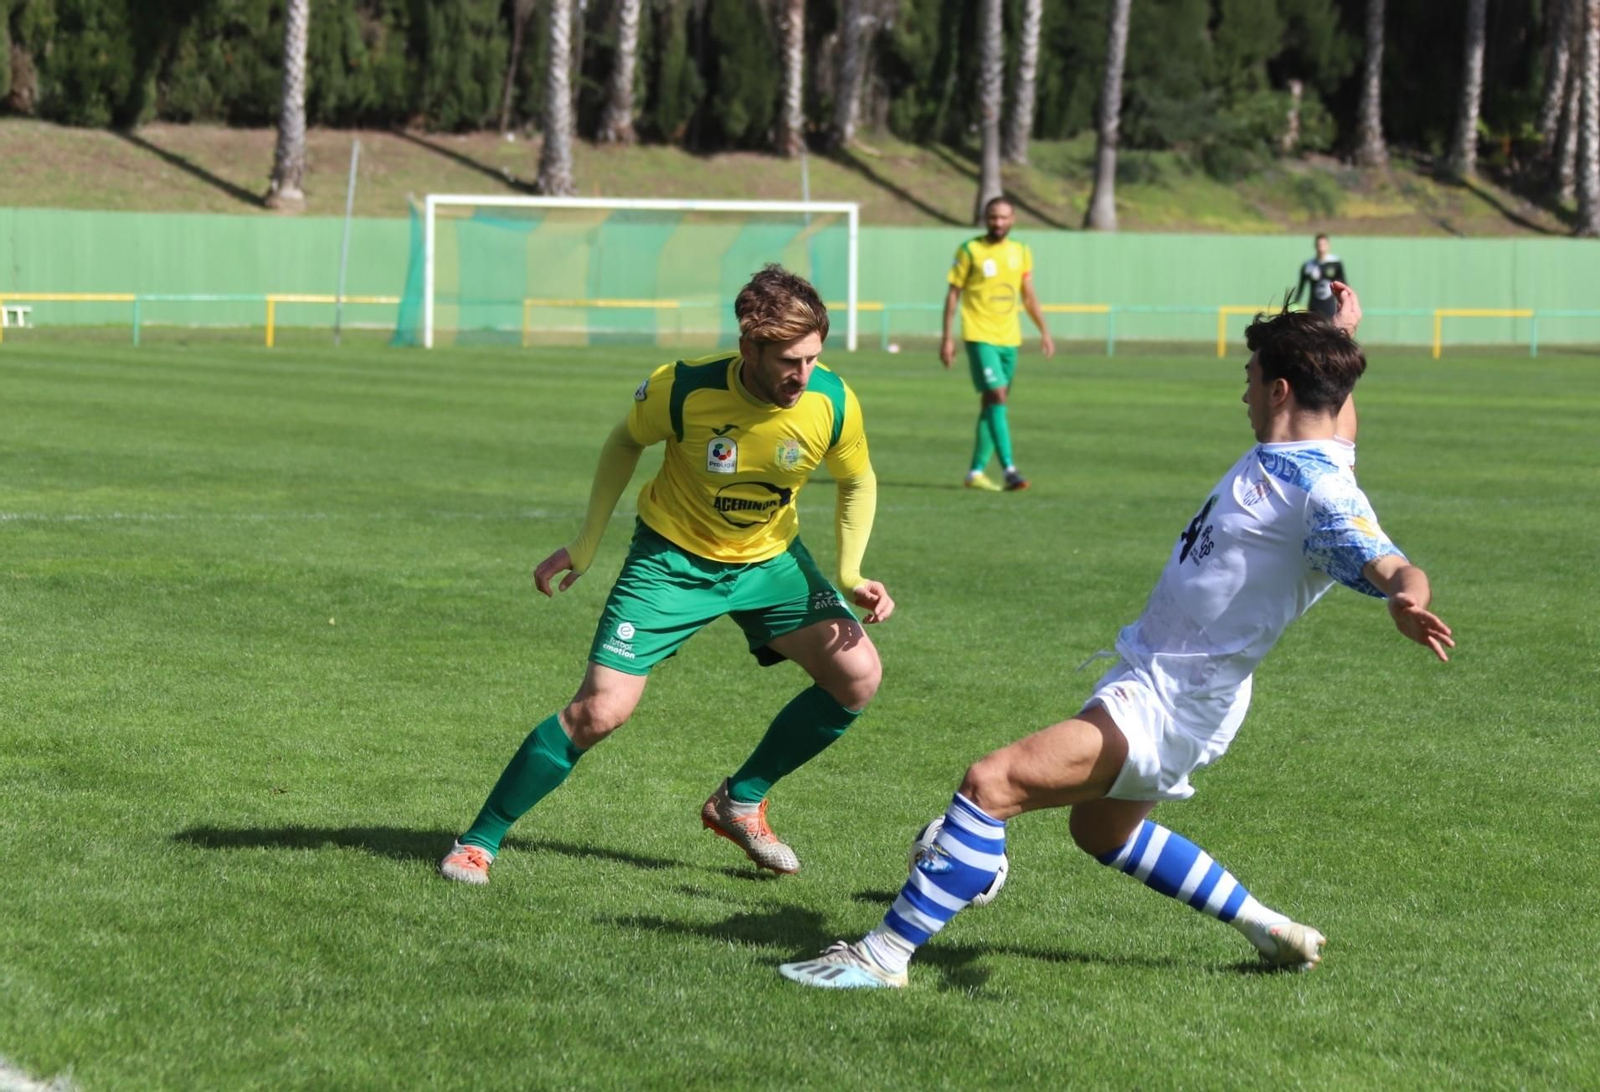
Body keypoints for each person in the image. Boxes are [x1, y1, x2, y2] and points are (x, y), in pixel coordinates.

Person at [779, 285, 1454, 989]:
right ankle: (1268, 928)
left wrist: (1407, 596)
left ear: (1280, 389)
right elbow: (1339, 418)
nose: (1244, 394)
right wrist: (1340, 337)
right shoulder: (1320, 448)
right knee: (1101, 831)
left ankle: (883, 956)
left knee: (990, 784)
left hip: (1171, 701)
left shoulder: (1323, 492)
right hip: (1174, 685)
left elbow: (1390, 561)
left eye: (1250, 379)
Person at [439, 265, 895, 885]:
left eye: (813, 358)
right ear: (749, 349)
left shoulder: (832, 402)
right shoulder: (682, 389)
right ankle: (478, 842)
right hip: (671, 561)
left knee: (858, 675)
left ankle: (740, 801)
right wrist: (585, 544)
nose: (803, 374)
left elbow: (857, 479)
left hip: (770, 561)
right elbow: (624, 442)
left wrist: (850, 571)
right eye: (790, 360)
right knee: (600, 710)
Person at [939, 196, 1055, 493]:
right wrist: (947, 337)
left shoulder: (1021, 251)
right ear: (985, 218)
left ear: (1012, 219)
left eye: (1003, 217)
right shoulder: (970, 250)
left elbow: (1028, 295)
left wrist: (1044, 331)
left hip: (1009, 338)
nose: (998, 222)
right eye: (993, 217)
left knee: (992, 404)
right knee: (997, 397)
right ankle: (1009, 469)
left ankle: (975, 472)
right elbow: (953, 294)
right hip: (979, 335)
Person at [1292, 233, 1347, 319]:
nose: (1321, 247)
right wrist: (1295, 302)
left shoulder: (1335, 263)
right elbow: (1301, 287)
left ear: (1328, 245)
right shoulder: (1308, 265)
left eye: (1324, 244)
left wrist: (1346, 303)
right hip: (1313, 308)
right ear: (1315, 246)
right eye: (1319, 244)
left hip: (1329, 309)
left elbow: (1344, 284)